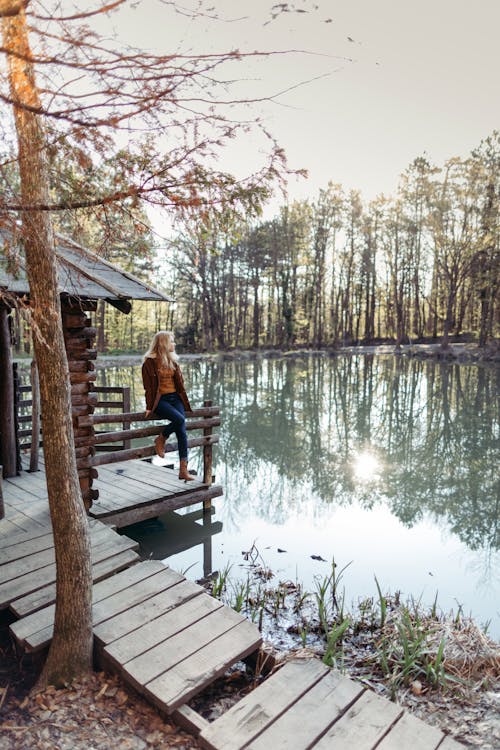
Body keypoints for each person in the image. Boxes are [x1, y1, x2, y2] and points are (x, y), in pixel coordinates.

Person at [142, 331, 195, 481]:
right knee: (179, 420)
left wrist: (183, 400)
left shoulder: (173, 361)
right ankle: (161, 438)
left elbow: (180, 384)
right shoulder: (149, 363)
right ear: (164, 343)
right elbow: (148, 387)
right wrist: (148, 406)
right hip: (161, 400)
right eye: (172, 341)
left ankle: (183, 470)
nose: (174, 344)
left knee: (182, 431)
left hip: (175, 399)